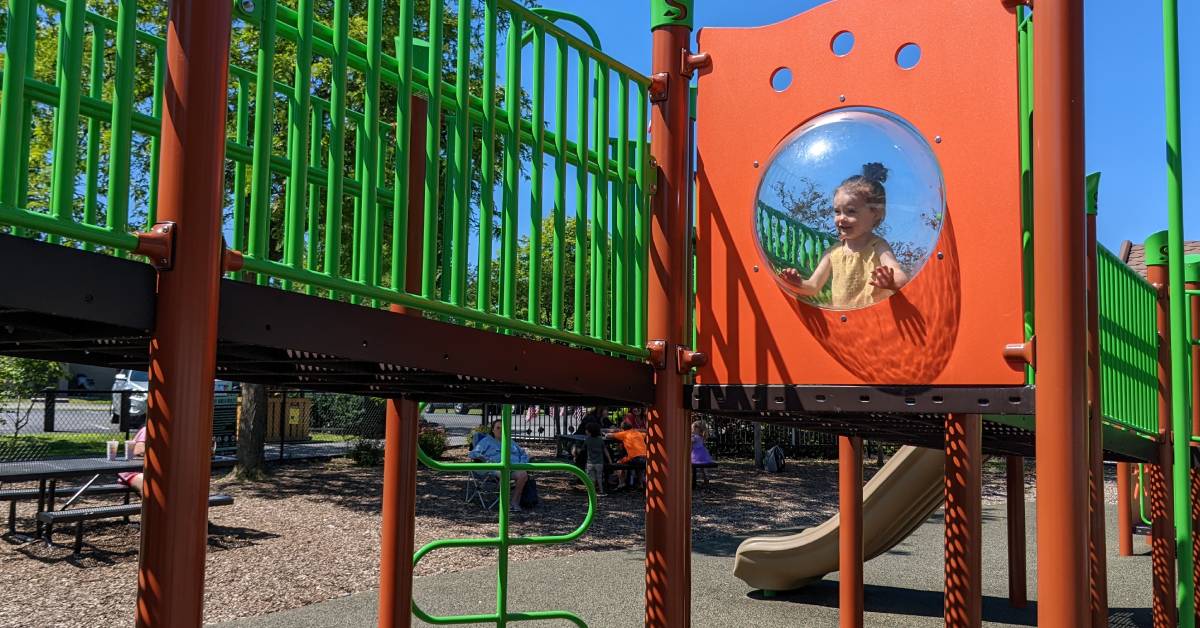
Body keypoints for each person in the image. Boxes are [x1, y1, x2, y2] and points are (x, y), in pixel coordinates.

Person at [778, 163, 910, 309]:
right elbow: (813, 286)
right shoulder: (832, 253)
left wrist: (891, 281)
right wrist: (797, 283)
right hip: (846, 323)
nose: (841, 218)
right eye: (837, 212)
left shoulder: (877, 246)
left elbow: (900, 275)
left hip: (877, 321)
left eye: (851, 211)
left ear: (875, 214)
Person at [469, 419, 532, 512]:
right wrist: (485, 459)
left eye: (502, 428)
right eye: (498, 428)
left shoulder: (510, 441)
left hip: (513, 467)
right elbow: (473, 453)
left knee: (523, 475)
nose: (500, 430)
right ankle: (503, 504)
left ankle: (514, 502)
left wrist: (521, 464)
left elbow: (523, 453)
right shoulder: (487, 441)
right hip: (497, 468)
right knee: (503, 473)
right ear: (493, 430)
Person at [609, 420, 648, 489]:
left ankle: (621, 483)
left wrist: (609, 433)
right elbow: (645, 434)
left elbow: (610, 436)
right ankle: (640, 484)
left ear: (622, 429)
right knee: (639, 467)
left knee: (619, 463)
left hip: (635, 458)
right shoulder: (637, 433)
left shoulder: (624, 434)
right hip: (645, 458)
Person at [582, 421, 612, 495]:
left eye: (586, 430)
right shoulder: (600, 439)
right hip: (599, 462)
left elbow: (583, 449)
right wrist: (610, 460)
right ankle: (601, 491)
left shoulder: (587, 439)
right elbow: (605, 451)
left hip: (590, 462)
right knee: (599, 477)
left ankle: (592, 491)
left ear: (589, 432)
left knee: (591, 478)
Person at [117, 425, 147, 496]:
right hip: (133, 471)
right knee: (147, 484)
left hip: (148, 470)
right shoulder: (147, 430)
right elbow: (139, 452)